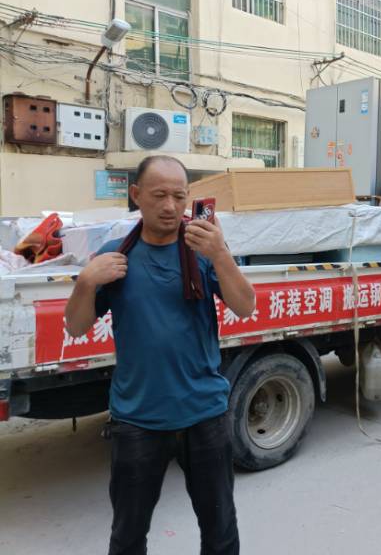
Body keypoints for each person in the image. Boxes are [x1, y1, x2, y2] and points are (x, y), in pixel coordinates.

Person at [65, 155, 255, 555]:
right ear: (136, 195)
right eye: (159, 195)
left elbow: (244, 306)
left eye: (179, 196)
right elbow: (77, 327)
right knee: (128, 536)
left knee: (221, 531)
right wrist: (85, 283)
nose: (170, 206)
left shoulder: (203, 250)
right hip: (138, 418)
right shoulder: (116, 257)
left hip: (204, 413)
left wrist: (221, 254)